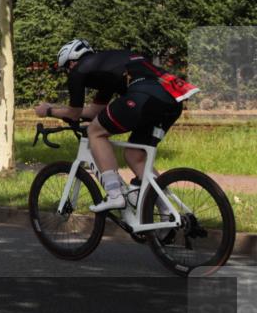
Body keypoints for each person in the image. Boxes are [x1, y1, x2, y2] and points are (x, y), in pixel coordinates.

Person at [34, 39, 198, 213]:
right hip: (171, 99)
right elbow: (93, 111)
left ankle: (114, 194)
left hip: (143, 95)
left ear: (72, 62)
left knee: (95, 132)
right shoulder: (108, 67)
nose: (68, 73)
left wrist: (49, 110)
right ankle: (168, 214)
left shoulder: (78, 70)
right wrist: (72, 113)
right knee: (135, 156)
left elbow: (74, 113)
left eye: (66, 69)